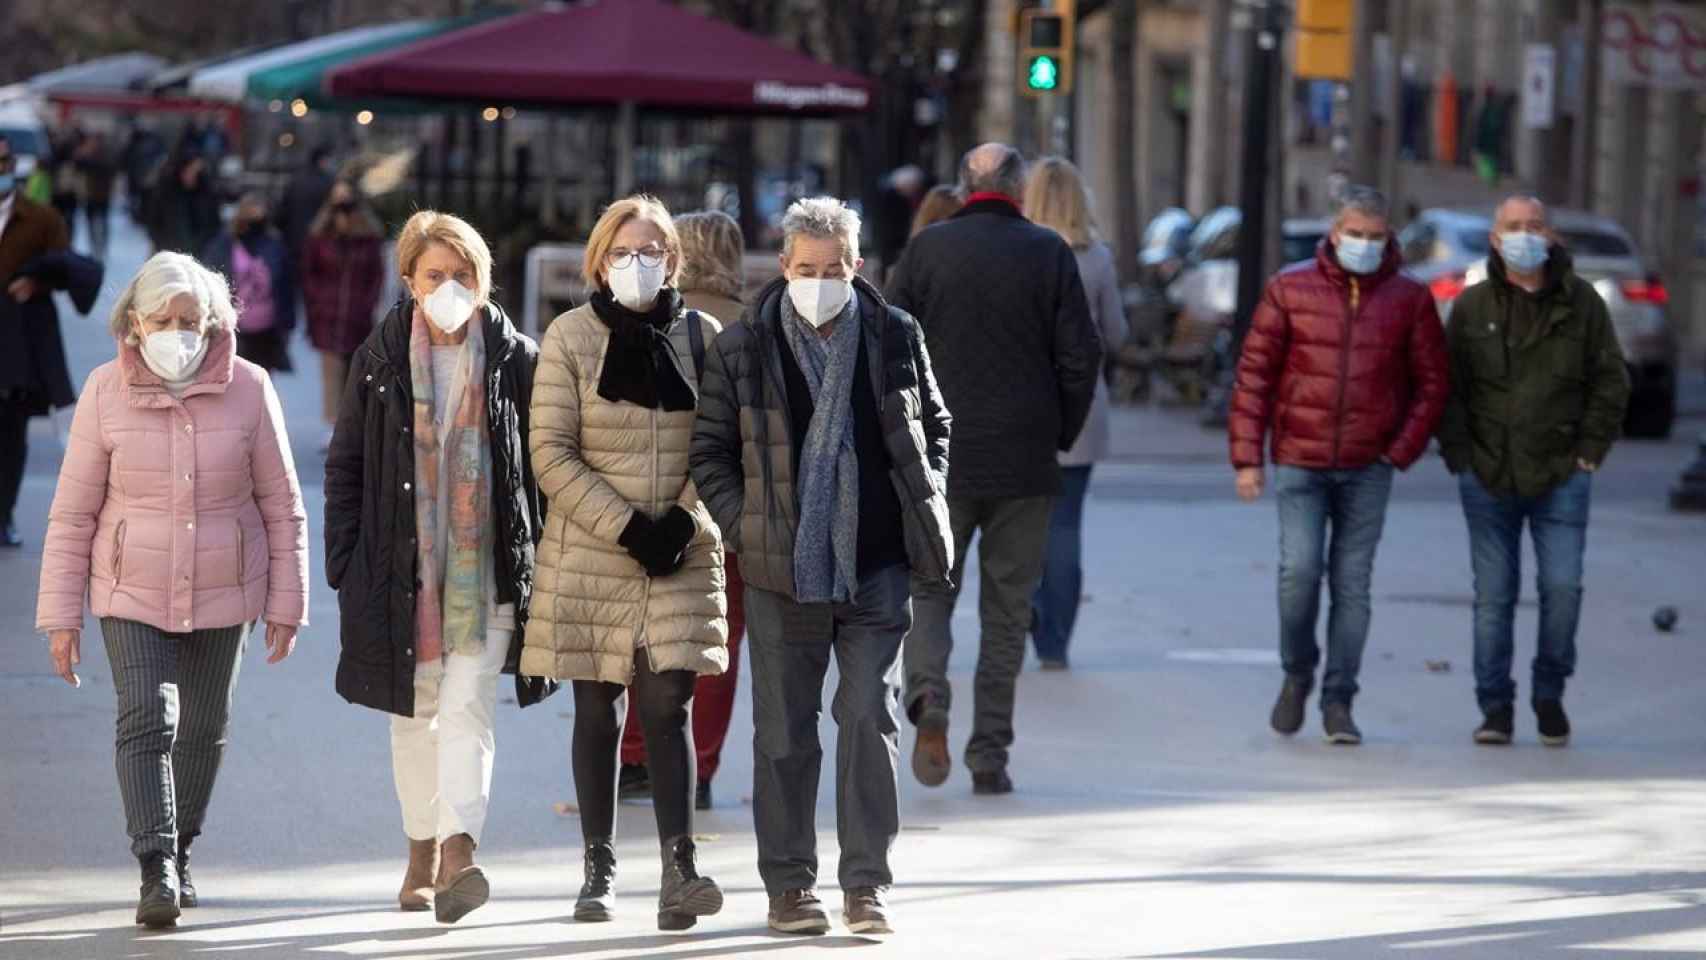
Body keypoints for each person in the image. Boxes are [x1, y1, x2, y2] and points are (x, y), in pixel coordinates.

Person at [692, 197, 953, 936]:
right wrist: (747, 526)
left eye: (834, 268)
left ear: (857, 265)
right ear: (783, 266)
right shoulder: (744, 346)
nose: (820, 280)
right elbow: (709, 452)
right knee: (783, 733)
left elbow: (934, 424)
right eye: (806, 268)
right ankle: (789, 887)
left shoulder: (895, 334)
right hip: (783, 571)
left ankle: (866, 884)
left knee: (869, 716)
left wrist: (922, 497)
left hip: (877, 565)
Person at [35, 251, 308, 928]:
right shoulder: (104, 391)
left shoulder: (250, 386)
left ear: (215, 324)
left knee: (204, 728)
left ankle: (182, 848)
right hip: (130, 586)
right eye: (165, 319)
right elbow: (72, 512)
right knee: (147, 719)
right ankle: (155, 865)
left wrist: (287, 601)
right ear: (135, 322)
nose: (180, 331)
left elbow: (282, 505)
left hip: (225, 586)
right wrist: (60, 615)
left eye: (193, 320)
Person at [325, 211, 548, 923]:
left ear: (484, 281)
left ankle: (458, 850)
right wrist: (345, 566)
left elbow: (540, 472)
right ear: (409, 282)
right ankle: (420, 848)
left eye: (463, 275)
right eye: (435, 276)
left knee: (468, 711)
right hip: (400, 575)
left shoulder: (519, 358)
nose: (450, 287)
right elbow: (346, 467)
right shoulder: (379, 358)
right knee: (414, 717)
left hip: (485, 578)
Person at [524, 195, 728, 930]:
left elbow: (719, 444)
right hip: (592, 551)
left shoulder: (704, 336)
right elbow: (549, 451)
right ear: (599, 261)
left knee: (669, 706)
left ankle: (680, 867)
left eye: (650, 252)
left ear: (673, 259)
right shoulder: (570, 337)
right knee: (598, 709)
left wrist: (679, 518)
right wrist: (624, 526)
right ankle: (598, 866)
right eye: (622, 252)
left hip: (680, 547)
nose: (636, 264)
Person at [887, 142, 1101, 795]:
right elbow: (1080, 356)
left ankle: (929, 699)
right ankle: (990, 754)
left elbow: (887, 347)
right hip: (1025, 460)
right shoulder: (1049, 252)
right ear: (1019, 189)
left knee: (931, 594)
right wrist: (1058, 431)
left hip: (940, 461)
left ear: (963, 184)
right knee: (1007, 612)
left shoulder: (927, 251)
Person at [1228, 185, 1450, 745]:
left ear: (1390, 239)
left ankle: (1339, 698)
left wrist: (1401, 450)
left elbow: (1432, 383)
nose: (1366, 245)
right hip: (1301, 459)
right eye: (1357, 234)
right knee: (1299, 573)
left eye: (1377, 237)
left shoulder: (1409, 299)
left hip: (1368, 464)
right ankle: (1296, 673)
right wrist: (1247, 458)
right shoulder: (1290, 288)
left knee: (1353, 585)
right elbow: (1254, 376)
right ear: (1335, 233)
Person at [1437, 195, 1630, 747]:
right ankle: (1494, 706)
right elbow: (1447, 387)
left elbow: (1611, 381)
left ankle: (1550, 692)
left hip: (1562, 474)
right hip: (1488, 475)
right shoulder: (1472, 307)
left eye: (1535, 225)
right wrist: (1460, 454)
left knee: (1562, 588)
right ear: (1495, 239)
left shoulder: (1583, 303)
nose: (1525, 235)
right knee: (1494, 598)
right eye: (1514, 227)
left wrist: (1589, 451)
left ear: (1552, 237)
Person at [617, 209, 747, 812]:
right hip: (729, 512)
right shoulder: (755, 326)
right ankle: (701, 765)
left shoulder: (647, 322)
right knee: (716, 642)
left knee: (646, 635)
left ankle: (638, 755)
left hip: (652, 504)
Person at [1021, 157, 1129, 671]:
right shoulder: (1097, 259)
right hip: (1082, 408)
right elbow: (1118, 333)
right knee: (1066, 525)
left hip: (1020, 407)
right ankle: (1055, 641)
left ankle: (1024, 608)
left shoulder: (1016, 253)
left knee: (1019, 525)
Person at [0, 134, 77, 547]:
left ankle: (4, 513)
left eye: (4, 162)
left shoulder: (41, 218)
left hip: (18, 342)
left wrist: (38, 279)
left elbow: (68, 269)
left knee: (11, 433)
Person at [302, 181, 385, 436]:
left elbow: (376, 275)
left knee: (355, 373)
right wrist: (317, 300)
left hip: (357, 316)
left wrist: (367, 303)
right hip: (327, 315)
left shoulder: (368, 239)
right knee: (331, 373)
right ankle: (333, 426)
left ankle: (350, 426)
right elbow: (308, 273)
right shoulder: (319, 237)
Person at [203, 193, 296, 374]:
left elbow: (286, 286)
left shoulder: (275, 245)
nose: (255, 217)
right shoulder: (223, 245)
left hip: (267, 332)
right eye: (251, 212)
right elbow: (209, 279)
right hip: (234, 330)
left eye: (260, 212)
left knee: (260, 382)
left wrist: (287, 324)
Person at [148, 149, 220, 256]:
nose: (191, 175)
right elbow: (154, 222)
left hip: (199, 255)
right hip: (169, 253)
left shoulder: (207, 194)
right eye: (188, 170)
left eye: (195, 171)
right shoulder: (167, 192)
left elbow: (213, 225)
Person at [75, 132, 119, 260]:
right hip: (91, 195)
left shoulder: (105, 157)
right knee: (92, 223)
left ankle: (100, 248)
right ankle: (96, 247)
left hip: (101, 195)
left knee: (101, 223)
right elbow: (78, 165)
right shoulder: (89, 156)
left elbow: (109, 169)